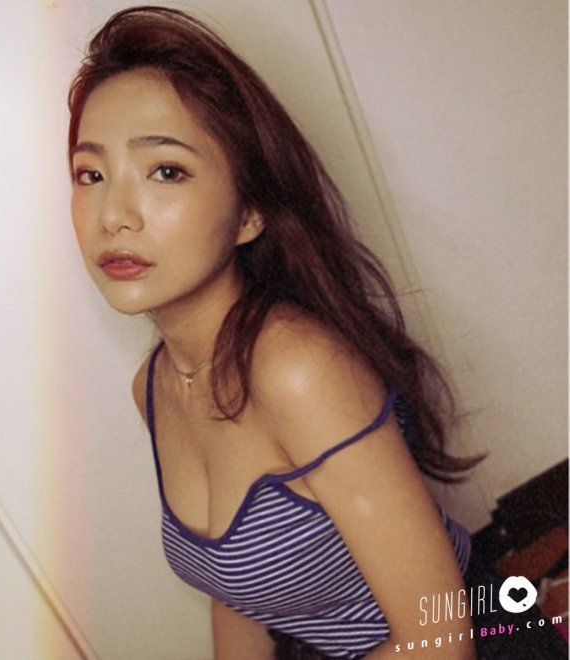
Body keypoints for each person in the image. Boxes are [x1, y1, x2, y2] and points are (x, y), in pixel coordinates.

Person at [67, 6, 482, 658]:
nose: (113, 215)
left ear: (250, 211)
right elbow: (236, 597)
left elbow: (440, 642)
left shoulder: (299, 370)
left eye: (165, 170)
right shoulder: (154, 386)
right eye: (90, 175)